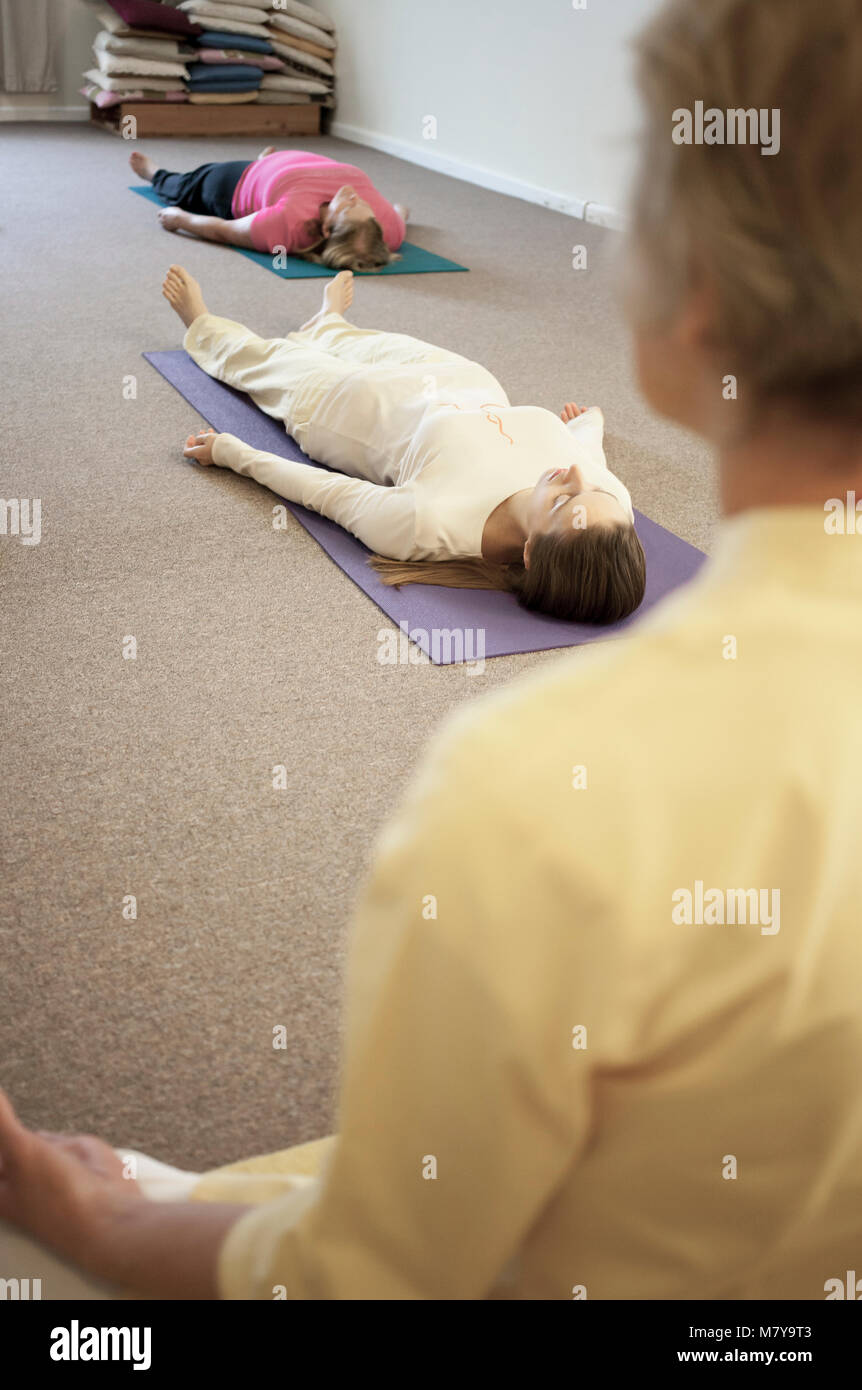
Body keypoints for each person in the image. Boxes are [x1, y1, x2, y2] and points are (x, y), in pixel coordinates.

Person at [3, 0, 862, 1300]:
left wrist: (101, 1228)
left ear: (682, 315)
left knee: (49, 1228)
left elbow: (362, 1274)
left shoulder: (534, 791)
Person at [161, 263, 645, 625]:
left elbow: (325, 494)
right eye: (596, 494)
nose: (578, 478)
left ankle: (201, 325)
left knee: (265, 361)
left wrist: (233, 455)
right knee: (363, 342)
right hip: (462, 381)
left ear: (530, 554)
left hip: (349, 411)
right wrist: (590, 427)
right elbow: (589, 462)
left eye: (566, 501)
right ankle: (328, 323)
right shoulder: (611, 502)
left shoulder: (427, 524)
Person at [129, 146, 408, 271]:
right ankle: (267, 166)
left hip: (237, 184)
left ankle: (154, 174)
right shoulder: (386, 229)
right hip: (278, 170)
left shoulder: (286, 225)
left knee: (186, 186)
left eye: (348, 207)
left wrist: (182, 219)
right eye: (364, 207)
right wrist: (399, 211)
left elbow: (224, 230)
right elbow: (399, 214)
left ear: (325, 228)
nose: (354, 197)